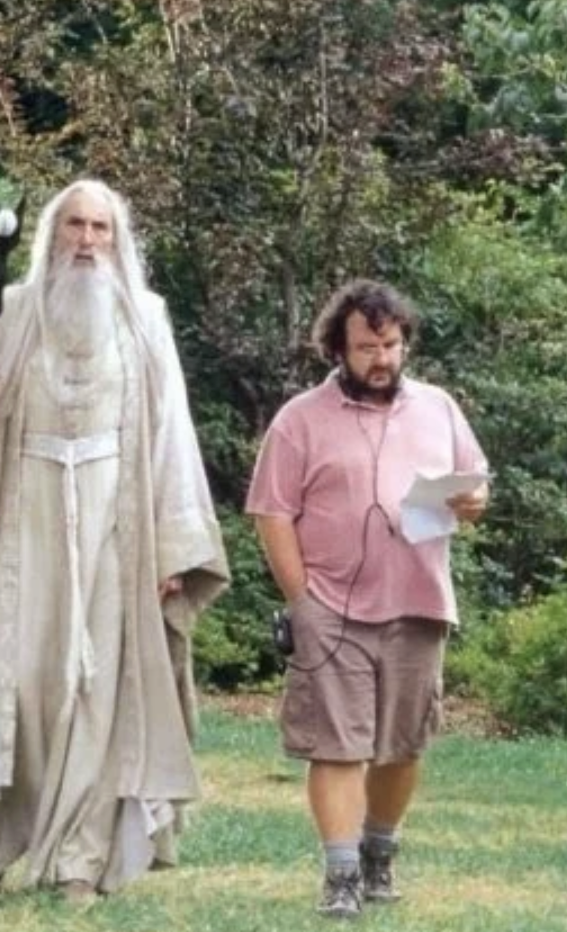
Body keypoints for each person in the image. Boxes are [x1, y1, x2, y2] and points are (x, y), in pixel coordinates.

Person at [0, 180, 229, 902]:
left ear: (118, 240)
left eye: (100, 228)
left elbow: (173, 435)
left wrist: (173, 551)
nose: (87, 241)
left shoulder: (147, 319)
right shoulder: (13, 310)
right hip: (20, 525)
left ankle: (79, 860)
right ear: (51, 234)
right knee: (12, 681)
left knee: (92, 692)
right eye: (74, 226)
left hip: (114, 532)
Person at [245, 279, 489, 919]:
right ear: (338, 350)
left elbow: (476, 492)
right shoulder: (299, 420)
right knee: (337, 744)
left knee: (402, 744)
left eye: (390, 344)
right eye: (366, 348)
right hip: (331, 606)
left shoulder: (439, 408)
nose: (381, 358)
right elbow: (271, 514)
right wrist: (303, 602)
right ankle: (342, 875)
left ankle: (380, 853)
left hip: (418, 601)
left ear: (404, 341)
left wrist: (473, 503)